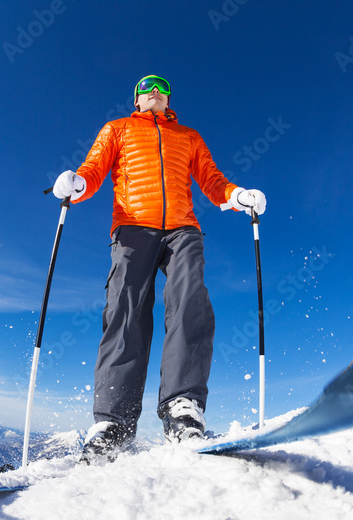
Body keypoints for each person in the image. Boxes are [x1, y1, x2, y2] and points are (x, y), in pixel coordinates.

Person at [52, 74, 266, 464]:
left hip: (183, 228)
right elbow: (95, 168)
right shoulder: (117, 129)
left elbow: (211, 179)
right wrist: (76, 184)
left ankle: (182, 408)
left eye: (163, 87)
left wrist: (237, 196)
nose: (156, 91)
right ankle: (112, 422)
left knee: (189, 299)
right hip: (132, 227)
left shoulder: (188, 136)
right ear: (136, 98)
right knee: (125, 309)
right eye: (148, 87)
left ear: (169, 98)